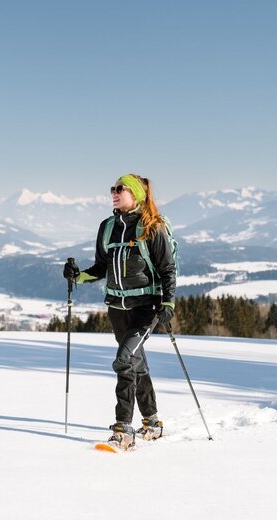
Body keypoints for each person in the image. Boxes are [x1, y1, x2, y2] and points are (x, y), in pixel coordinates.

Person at [62, 173, 176, 450]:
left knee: (124, 360)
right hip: (116, 308)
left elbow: (167, 269)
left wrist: (168, 303)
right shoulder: (108, 227)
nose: (113, 192)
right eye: (112, 188)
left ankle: (123, 430)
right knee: (136, 362)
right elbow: (101, 267)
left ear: (136, 194)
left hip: (145, 308)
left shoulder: (153, 227)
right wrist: (77, 276)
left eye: (120, 189)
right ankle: (152, 422)